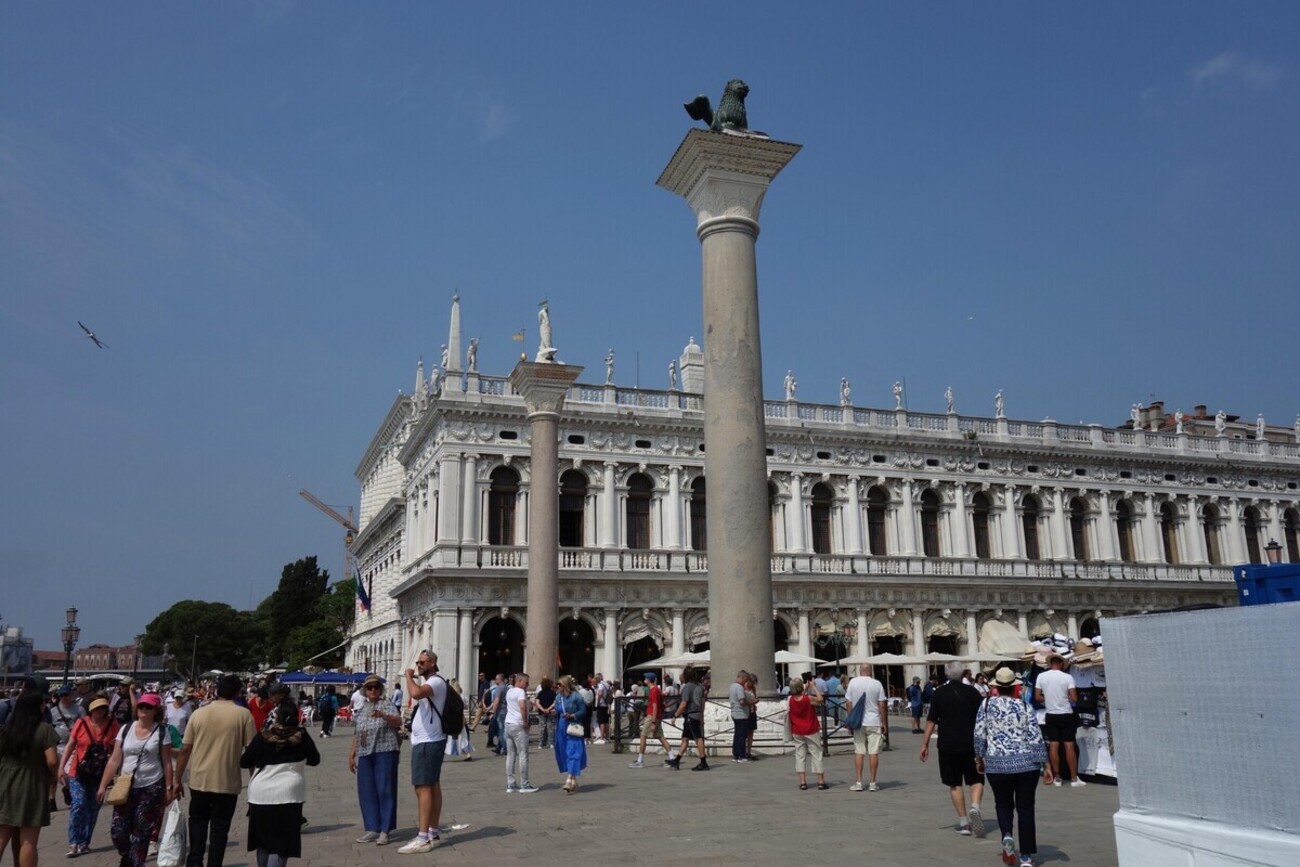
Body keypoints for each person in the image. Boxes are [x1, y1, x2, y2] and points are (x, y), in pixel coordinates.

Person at [173, 673, 256, 867]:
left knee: (197, 822)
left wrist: (177, 780)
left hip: (199, 779)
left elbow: (185, 750)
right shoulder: (244, 715)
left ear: (217, 691)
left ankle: (194, 861)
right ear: (238, 692)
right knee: (220, 828)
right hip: (227, 781)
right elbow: (251, 752)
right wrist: (254, 781)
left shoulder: (199, 714)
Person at [975, 668, 1053, 867]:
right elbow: (1035, 736)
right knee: (1025, 808)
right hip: (1026, 764)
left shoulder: (986, 705)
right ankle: (1026, 856)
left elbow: (979, 734)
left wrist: (979, 758)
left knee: (1003, 804)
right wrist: (1046, 765)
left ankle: (1007, 836)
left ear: (996, 687)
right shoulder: (1025, 706)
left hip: (997, 764)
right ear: (1014, 687)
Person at [240, 697, 320, 867]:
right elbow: (315, 759)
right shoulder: (301, 736)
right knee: (281, 844)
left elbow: (245, 762)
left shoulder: (263, 736)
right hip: (290, 793)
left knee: (263, 842)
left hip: (261, 794)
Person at [98, 692, 173, 867]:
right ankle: (129, 857)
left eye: (148, 707)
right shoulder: (126, 729)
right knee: (118, 831)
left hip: (151, 786)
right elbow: (114, 759)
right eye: (141, 706)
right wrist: (102, 785)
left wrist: (169, 788)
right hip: (125, 785)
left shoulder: (162, 732)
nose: (144, 709)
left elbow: (167, 763)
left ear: (156, 711)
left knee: (142, 831)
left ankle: (136, 862)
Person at [920, 661, 987, 837]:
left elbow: (931, 720)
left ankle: (964, 823)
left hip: (948, 744)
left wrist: (925, 744)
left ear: (946, 674)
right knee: (976, 778)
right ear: (963, 674)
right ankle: (975, 807)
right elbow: (982, 717)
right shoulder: (973, 692)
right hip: (971, 743)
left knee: (954, 783)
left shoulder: (939, 693)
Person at [398, 650, 449, 855]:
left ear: (433, 663)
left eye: (422, 662)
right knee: (432, 785)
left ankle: (422, 838)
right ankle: (432, 833)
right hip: (428, 740)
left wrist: (408, 677)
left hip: (428, 742)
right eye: (418, 662)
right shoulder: (433, 682)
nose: (418, 665)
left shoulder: (435, 681)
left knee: (423, 787)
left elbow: (416, 693)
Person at [0, 692, 59, 867]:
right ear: (38, 707)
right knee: (28, 841)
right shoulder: (44, 729)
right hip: (32, 784)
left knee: (2, 836)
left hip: (6, 783)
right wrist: (53, 775)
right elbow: (52, 760)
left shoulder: (7, 729)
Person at [62, 696, 119, 857]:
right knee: (79, 804)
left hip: (99, 773)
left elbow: (118, 747)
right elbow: (70, 745)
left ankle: (84, 843)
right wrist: (61, 767)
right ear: (90, 709)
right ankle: (73, 842)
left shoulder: (112, 724)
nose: (100, 711)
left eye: (103, 708)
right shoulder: (81, 723)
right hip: (77, 771)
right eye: (97, 708)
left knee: (93, 807)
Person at [348, 675, 401, 846]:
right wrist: (352, 753)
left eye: (376, 687)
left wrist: (384, 715)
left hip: (385, 750)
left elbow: (398, 722)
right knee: (366, 791)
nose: (373, 690)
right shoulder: (363, 708)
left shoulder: (386, 704)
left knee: (385, 789)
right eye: (369, 687)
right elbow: (357, 732)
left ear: (380, 689)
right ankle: (372, 827)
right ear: (365, 690)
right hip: (365, 752)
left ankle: (385, 830)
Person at [1033, 654, 1083, 787]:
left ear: (1050, 663)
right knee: (1069, 745)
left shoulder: (1041, 676)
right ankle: (1074, 778)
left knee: (1053, 745)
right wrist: (1064, 698)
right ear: (1061, 664)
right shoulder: (1067, 677)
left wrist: (1048, 699)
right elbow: (1074, 698)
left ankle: (1057, 777)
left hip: (1051, 713)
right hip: (1066, 713)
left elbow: (1037, 697)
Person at [844, 664, 888, 791]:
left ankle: (858, 782)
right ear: (870, 671)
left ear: (860, 671)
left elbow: (848, 703)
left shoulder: (853, 682)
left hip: (859, 722)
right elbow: (882, 705)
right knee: (873, 752)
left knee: (859, 751)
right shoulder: (877, 684)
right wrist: (884, 722)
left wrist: (850, 719)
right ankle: (873, 783)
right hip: (873, 721)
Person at [628, 672, 676, 769]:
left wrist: (653, 722)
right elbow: (662, 704)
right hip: (657, 716)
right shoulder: (657, 690)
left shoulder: (653, 691)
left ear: (648, 680)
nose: (644, 679)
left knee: (643, 736)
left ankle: (640, 760)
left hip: (651, 716)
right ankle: (672, 758)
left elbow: (655, 706)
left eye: (645, 678)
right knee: (661, 737)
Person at [787, 678, 826, 790]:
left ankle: (802, 782)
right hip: (811, 729)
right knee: (816, 754)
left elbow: (798, 698)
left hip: (797, 730)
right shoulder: (808, 699)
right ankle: (820, 781)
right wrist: (813, 686)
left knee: (800, 756)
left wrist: (805, 688)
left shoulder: (790, 699)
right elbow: (820, 699)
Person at [666, 666, 708, 771]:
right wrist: (701, 716)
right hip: (697, 714)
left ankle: (703, 762)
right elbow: (703, 702)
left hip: (691, 715)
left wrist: (675, 715)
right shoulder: (700, 686)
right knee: (685, 738)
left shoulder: (687, 687)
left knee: (698, 738)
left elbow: (684, 703)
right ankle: (676, 761)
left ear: (685, 676)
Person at [553, 676, 588, 793]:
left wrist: (572, 715)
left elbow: (583, 711)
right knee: (564, 752)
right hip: (562, 727)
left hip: (573, 727)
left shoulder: (576, 696)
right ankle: (573, 780)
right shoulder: (558, 697)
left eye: (559, 685)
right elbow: (557, 710)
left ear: (565, 685)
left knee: (573, 752)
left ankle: (568, 779)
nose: (557, 687)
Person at [503, 673, 537, 794]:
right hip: (518, 724)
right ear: (520, 681)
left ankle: (511, 783)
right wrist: (525, 721)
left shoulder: (509, 691)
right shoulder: (520, 692)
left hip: (508, 723)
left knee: (510, 755)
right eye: (526, 682)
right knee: (523, 754)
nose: (527, 685)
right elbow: (522, 706)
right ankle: (524, 784)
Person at [727, 671, 753, 763]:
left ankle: (736, 755)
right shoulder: (739, 687)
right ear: (743, 677)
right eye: (746, 679)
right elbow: (742, 701)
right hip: (741, 714)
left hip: (735, 713)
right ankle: (742, 756)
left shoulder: (732, 686)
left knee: (737, 735)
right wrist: (751, 703)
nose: (746, 682)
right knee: (742, 736)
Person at [533, 677, 557, 750]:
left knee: (541, 728)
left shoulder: (540, 693)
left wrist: (543, 709)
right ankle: (551, 743)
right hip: (550, 712)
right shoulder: (553, 693)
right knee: (550, 728)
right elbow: (555, 702)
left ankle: (540, 743)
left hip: (541, 713)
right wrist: (549, 709)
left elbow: (537, 702)